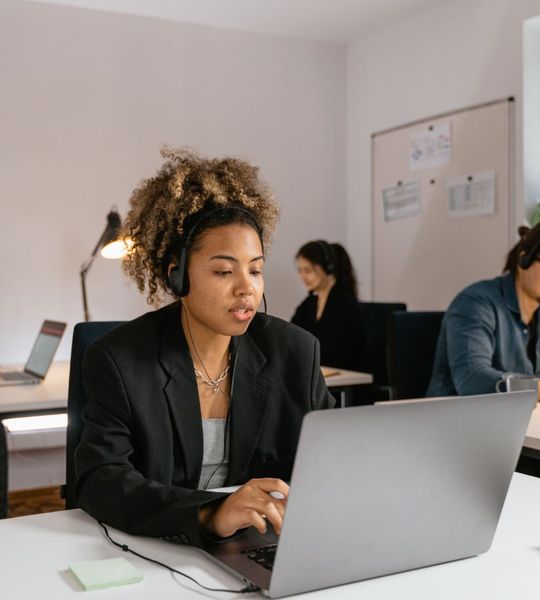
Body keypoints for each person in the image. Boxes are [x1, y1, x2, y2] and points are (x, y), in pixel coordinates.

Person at [74, 148, 335, 548]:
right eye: (224, 271)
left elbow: (335, 462)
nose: (246, 287)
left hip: (266, 545)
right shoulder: (121, 360)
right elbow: (100, 480)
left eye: (256, 269)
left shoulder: (296, 353)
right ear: (176, 275)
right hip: (157, 547)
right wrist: (210, 513)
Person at [427, 219, 540, 401]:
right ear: (524, 260)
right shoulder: (476, 303)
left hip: (519, 419)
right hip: (454, 421)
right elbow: (473, 381)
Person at [291, 240, 368, 371]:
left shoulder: (346, 306)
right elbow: (291, 337)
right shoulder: (309, 303)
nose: (303, 277)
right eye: (300, 271)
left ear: (328, 267)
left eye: (308, 270)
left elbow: (338, 355)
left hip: (345, 381)